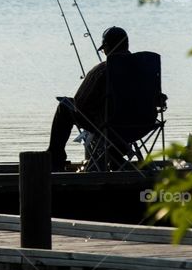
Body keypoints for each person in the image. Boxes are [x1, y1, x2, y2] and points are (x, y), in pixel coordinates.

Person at [47, 26, 130, 171]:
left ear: (108, 47)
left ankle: (55, 159)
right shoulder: (143, 68)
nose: (104, 53)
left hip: (109, 125)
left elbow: (81, 103)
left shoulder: (103, 69)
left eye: (104, 49)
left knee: (65, 107)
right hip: (141, 124)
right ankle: (115, 155)